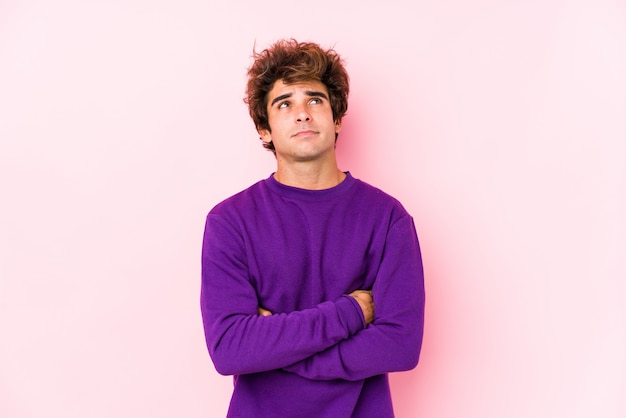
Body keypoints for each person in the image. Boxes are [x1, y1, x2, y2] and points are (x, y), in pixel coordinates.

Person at [200, 38, 425, 418]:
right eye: (284, 103)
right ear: (264, 130)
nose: (302, 113)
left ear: (336, 119)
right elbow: (230, 349)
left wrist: (281, 352)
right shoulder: (229, 222)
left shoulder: (388, 218)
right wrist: (351, 313)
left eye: (315, 100)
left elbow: (400, 345)